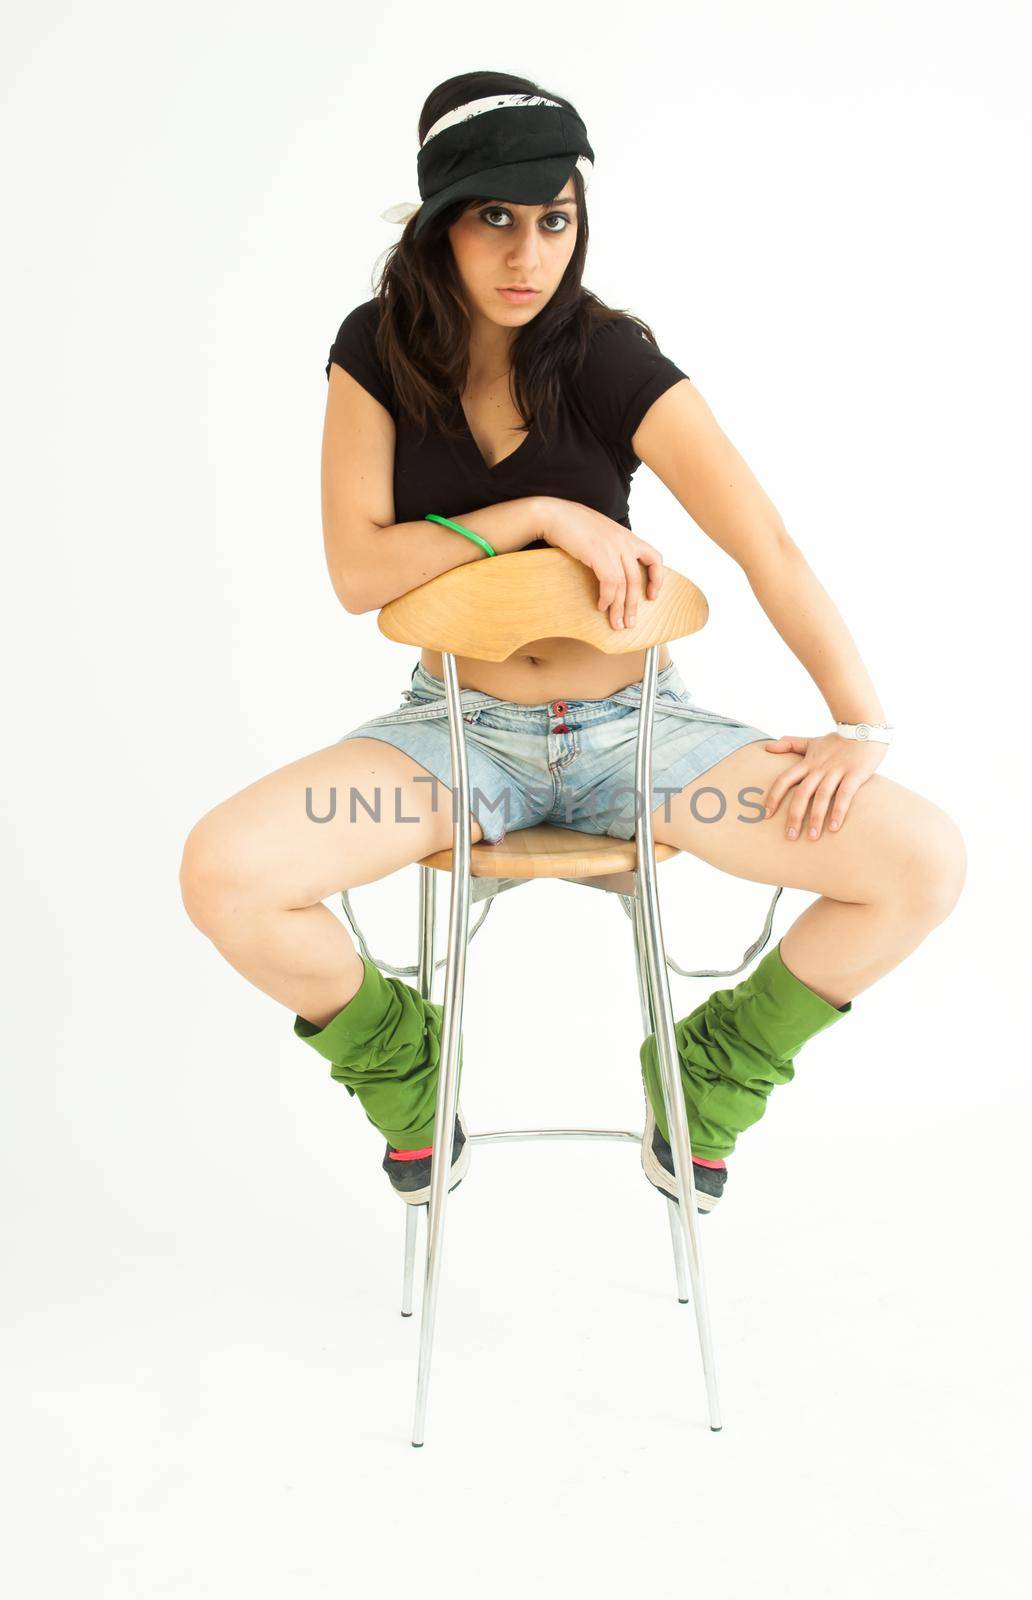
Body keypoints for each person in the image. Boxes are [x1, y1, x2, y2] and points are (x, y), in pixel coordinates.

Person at [180, 70, 966, 1212]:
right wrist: (540, 516)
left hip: (636, 742)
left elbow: (767, 544)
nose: (526, 253)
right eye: (495, 216)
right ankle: (406, 1068)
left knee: (919, 863)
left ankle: (712, 1069)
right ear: (440, 217)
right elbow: (360, 572)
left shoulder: (604, 357)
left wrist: (859, 722)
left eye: (555, 218)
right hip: (462, 743)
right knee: (227, 872)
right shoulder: (377, 352)